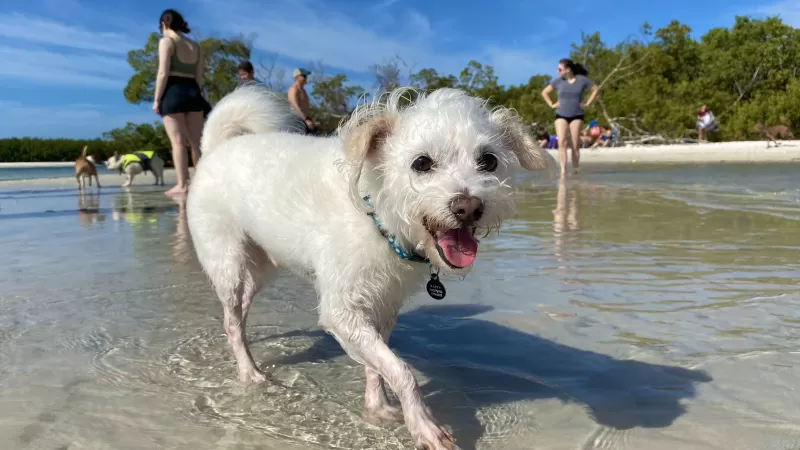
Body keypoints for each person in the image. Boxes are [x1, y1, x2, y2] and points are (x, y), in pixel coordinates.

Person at [152, 9, 210, 196]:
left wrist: (156, 99)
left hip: (173, 90)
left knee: (177, 142)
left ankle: (182, 185)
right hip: (193, 91)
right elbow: (199, 76)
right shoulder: (195, 46)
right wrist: (197, 93)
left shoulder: (166, 41)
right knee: (197, 143)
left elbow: (162, 73)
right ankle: (201, 181)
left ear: (164, 24)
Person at [541, 58, 600, 177]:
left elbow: (595, 89)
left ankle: (575, 170)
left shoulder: (582, 80)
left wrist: (588, 103)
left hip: (577, 115)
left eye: (560, 69)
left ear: (568, 70)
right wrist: (552, 104)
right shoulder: (557, 81)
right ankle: (563, 171)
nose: (557, 71)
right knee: (561, 141)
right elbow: (544, 92)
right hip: (561, 115)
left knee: (575, 144)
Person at [288, 68, 316, 134]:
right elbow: (294, 106)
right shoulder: (293, 89)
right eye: (304, 76)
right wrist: (305, 120)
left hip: (304, 120)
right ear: (298, 77)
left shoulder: (303, 90)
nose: (306, 78)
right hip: (297, 120)